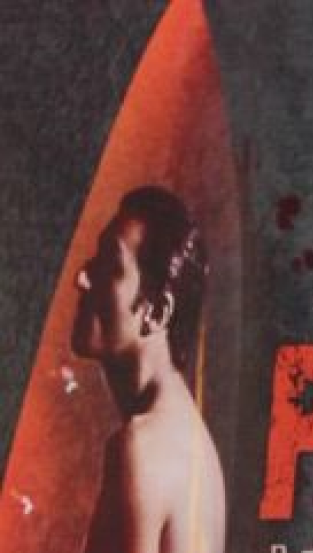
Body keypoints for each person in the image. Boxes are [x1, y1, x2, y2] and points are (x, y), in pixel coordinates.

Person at [72, 186, 226, 553]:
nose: (81, 278)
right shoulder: (189, 442)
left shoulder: (141, 449)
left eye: (110, 266)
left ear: (157, 313)